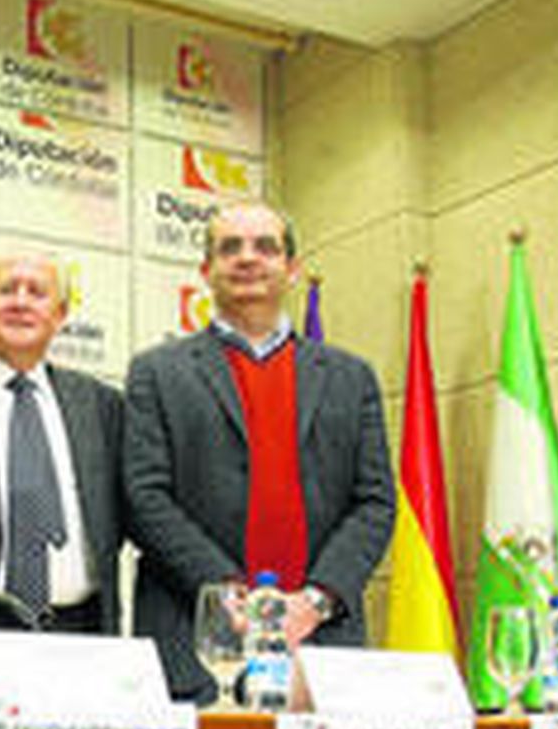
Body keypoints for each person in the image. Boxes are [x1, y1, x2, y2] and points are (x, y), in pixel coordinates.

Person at [123, 202, 395, 700]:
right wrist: (227, 595)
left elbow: (375, 503)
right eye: (230, 248)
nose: (248, 258)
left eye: (265, 247)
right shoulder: (157, 373)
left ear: (291, 269)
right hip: (196, 638)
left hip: (321, 640)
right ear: (206, 271)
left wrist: (314, 602)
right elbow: (145, 497)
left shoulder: (351, 378)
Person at [0, 252, 123, 636]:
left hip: (82, 627)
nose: (21, 301)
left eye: (37, 292)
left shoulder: (102, 405)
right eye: (7, 290)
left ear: (60, 314)